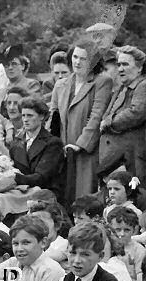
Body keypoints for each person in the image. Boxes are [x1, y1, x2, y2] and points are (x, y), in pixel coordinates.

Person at [49, 39, 113, 201]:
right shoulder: (61, 84)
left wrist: (79, 144)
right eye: (75, 57)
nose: (77, 62)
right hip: (63, 150)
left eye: (83, 58)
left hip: (87, 151)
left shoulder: (102, 82)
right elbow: (53, 118)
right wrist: (54, 145)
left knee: (84, 198)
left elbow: (97, 116)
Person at [4, 97, 65, 202]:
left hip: (44, 194)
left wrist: (14, 178)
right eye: (23, 115)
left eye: (30, 115)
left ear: (41, 117)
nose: (25, 119)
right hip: (20, 191)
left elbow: (41, 178)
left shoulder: (53, 143)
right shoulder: (16, 143)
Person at [100, 46, 146, 183]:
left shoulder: (143, 85)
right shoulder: (122, 88)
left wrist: (109, 122)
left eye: (125, 64)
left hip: (131, 159)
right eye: (118, 64)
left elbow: (136, 112)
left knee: (134, 197)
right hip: (115, 159)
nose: (120, 69)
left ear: (140, 68)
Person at [107, 207, 145, 281]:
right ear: (110, 229)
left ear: (134, 229)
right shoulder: (107, 247)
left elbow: (140, 275)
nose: (122, 234)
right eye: (118, 229)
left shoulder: (139, 250)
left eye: (127, 230)